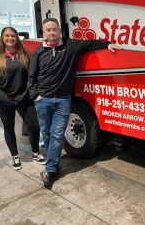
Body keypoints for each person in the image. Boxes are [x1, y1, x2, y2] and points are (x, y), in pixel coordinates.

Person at [28, 18, 120, 189]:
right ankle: (53, 163)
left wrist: (107, 44)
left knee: (56, 135)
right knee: (47, 135)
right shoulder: (39, 52)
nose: (52, 33)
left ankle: (50, 170)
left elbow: (90, 44)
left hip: (63, 100)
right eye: (48, 30)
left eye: (54, 29)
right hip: (43, 101)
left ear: (59, 31)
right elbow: (32, 76)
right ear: (44, 32)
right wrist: (35, 96)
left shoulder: (71, 46)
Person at [0, 27, 46, 170]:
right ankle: (15, 156)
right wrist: (5, 98)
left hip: (24, 97)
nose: (10, 38)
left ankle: (36, 152)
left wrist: (30, 92)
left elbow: (32, 76)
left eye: (13, 36)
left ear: (16, 37)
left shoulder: (24, 54)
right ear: (2, 38)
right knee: (9, 128)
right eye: (7, 36)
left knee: (34, 125)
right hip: (4, 100)